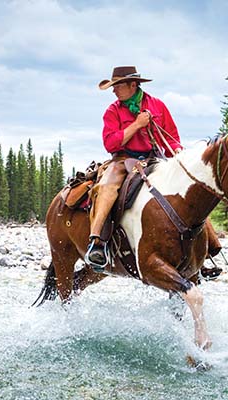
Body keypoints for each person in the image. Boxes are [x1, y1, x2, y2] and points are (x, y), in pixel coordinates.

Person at [85, 66, 183, 271]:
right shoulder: (112, 111)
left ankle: (207, 247)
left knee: (186, 187)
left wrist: (179, 154)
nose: (114, 91)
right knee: (107, 188)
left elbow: (172, 139)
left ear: (133, 85)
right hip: (123, 160)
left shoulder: (158, 106)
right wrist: (137, 125)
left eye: (117, 86)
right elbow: (111, 143)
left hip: (154, 159)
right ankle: (97, 243)